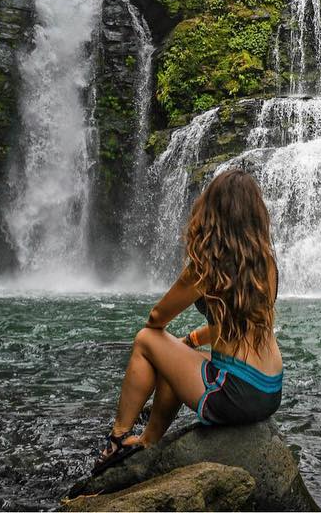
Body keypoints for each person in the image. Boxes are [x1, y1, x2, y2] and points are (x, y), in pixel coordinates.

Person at [93, 169, 283, 473]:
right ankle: (149, 441)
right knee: (176, 360)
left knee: (145, 340)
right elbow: (238, 325)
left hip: (237, 394)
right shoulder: (266, 264)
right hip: (270, 390)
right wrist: (192, 341)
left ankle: (117, 437)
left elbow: (156, 318)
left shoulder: (207, 266)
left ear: (212, 210)